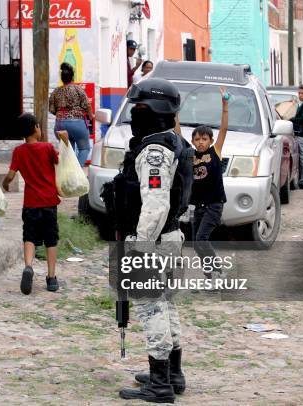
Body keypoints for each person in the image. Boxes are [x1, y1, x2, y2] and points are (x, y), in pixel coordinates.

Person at [106, 78, 193, 403]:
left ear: (155, 111)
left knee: (151, 307)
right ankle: (173, 373)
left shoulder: (154, 150)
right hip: (169, 238)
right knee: (166, 305)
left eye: (139, 108)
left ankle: (159, 383)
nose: (134, 115)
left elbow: (156, 203)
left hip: (153, 241)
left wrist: (140, 247)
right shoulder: (172, 140)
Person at [2, 113, 64, 294]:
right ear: (36, 128)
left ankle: (28, 266)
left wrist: (5, 184)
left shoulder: (18, 152)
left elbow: (11, 175)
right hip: (49, 202)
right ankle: (51, 278)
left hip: (30, 203)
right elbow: (62, 161)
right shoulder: (47, 148)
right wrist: (65, 142)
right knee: (51, 240)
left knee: (29, 237)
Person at [186, 87, 229, 278]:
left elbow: (224, 129)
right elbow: (178, 133)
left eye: (204, 139)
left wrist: (225, 106)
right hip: (199, 206)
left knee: (202, 239)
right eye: (197, 139)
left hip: (214, 204)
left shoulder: (215, 152)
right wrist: (175, 115)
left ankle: (218, 271)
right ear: (193, 141)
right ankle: (210, 276)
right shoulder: (191, 156)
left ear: (211, 141)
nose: (201, 142)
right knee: (196, 243)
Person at [49, 63, 94, 167]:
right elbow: (87, 105)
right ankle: (76, 173)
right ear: (72, 77)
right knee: (84, 149)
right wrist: (91, 116)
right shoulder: (78, 89)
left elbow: (52, 109)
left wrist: (62, 114)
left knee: (68, 152)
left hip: (60, 125)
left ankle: (68, 175)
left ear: (62, 78)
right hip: (77, 124)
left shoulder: (56, 91)